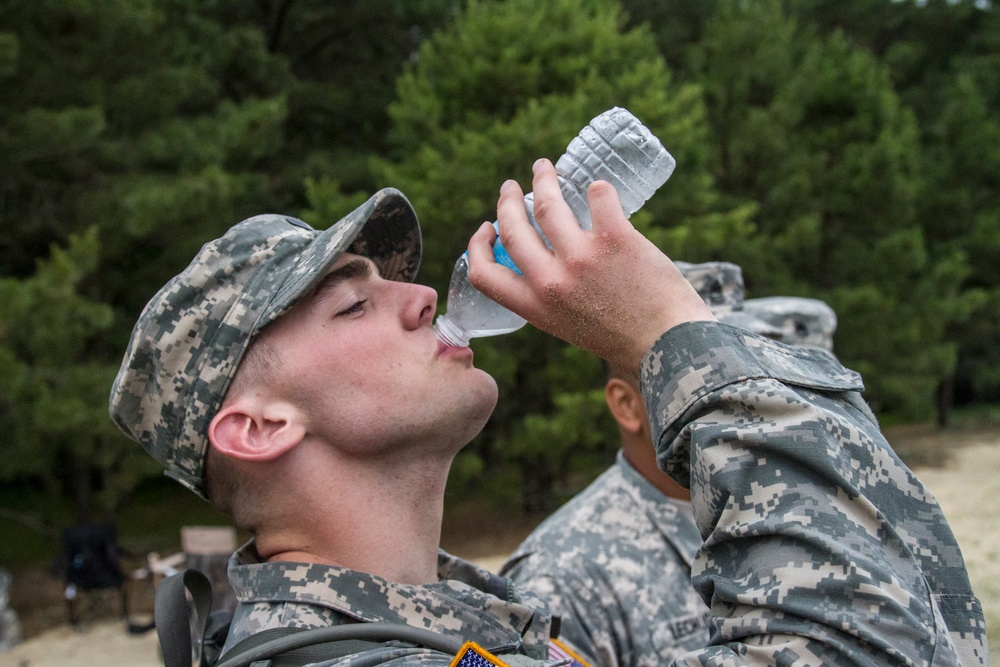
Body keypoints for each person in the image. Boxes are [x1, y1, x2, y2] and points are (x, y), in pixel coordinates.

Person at [110, 158, 987, 666]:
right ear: (259, 426)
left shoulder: (460, 624)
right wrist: (674, 336)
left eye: (394, 281)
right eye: (353, 304)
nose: (421, 299)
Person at [500, 264, 837, 666]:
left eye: (744, 372)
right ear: (628, 405)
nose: (738, 396)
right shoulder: (562, 580)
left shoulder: (802, 507)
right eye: (702, 378)